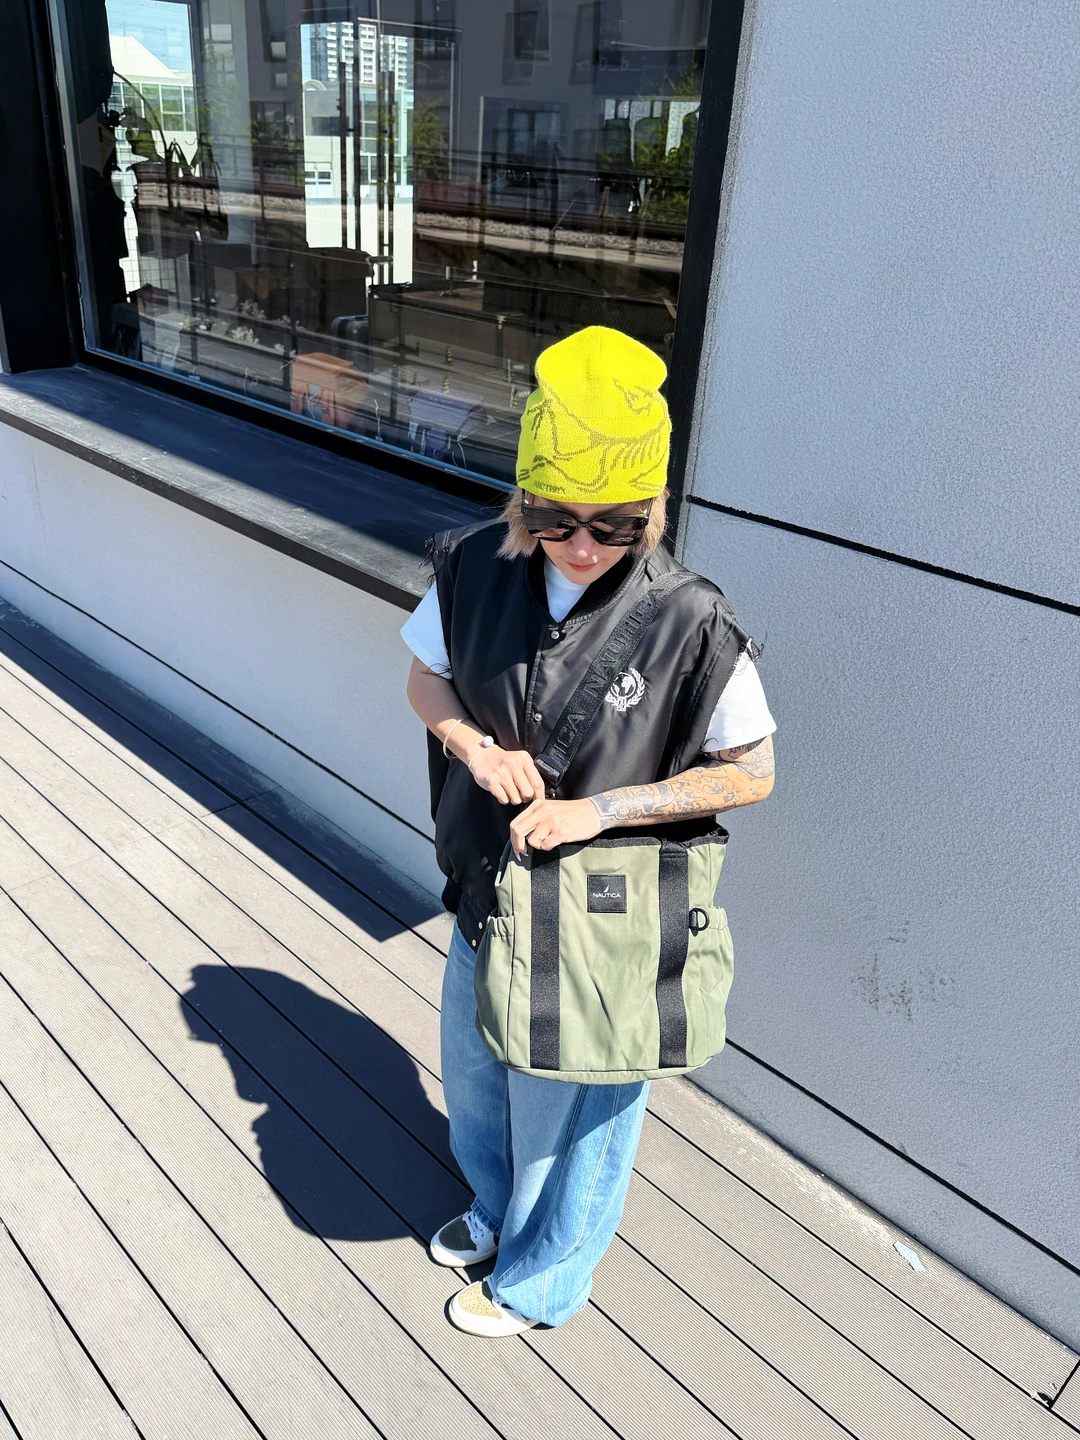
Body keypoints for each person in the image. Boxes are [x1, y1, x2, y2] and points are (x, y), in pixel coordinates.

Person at [401, 326, 776, 1337]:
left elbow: (752, 772)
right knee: (480, 1081)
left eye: (613, 524)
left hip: (597, 923)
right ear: (521, 497)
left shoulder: (691, 620)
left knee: (575, 1125)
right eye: (555, 517)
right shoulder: (474, 566)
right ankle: (494, 1212)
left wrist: (599, 810)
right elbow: (426, 679)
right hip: (486, 885)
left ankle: (544, 1281)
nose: (580, 546)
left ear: (653, 508)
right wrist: (476, 750)